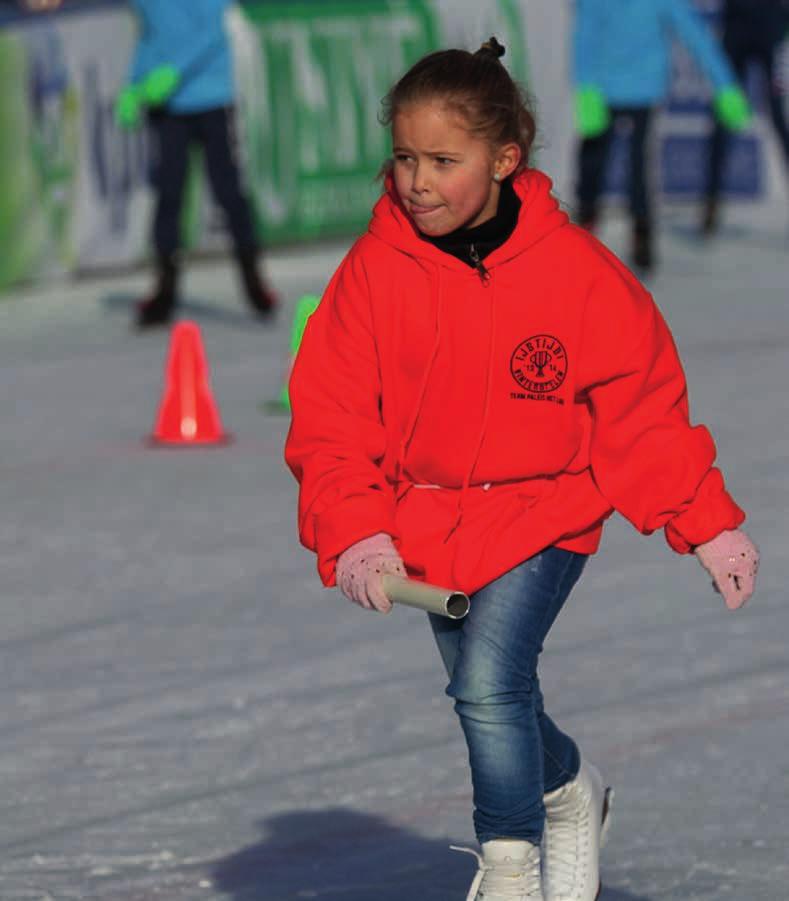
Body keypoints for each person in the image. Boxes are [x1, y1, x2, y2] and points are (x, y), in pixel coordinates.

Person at [284, 38, 759, 901]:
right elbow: (333, 418)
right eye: (403, 157)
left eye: (441, 160)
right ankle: (569, 787)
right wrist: (354, 530)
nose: (416, 180)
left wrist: (705, 519)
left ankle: (508, 866)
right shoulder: (372, 275)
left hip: (546, 510)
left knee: (489, 683)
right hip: (426, 522)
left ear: (504, 159)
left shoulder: (576, 276)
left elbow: (640, 409)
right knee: (485, 690)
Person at [115, 0, 277, 329]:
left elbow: (212, 34)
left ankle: (253, 280)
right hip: (168, 106)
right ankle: (165, 289)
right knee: (168, 194)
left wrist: (173, 71)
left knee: (228, 191)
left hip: (211, 98)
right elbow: (149, 38)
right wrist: (133, 85)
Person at [573, 0, 751, 271]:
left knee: (634, 163)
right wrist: (585, 87)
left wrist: (724, 85)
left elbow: (695, 35)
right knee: (596, 160)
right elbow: (585, 34)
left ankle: (639, 231)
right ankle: (589, 227)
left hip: (637, 89)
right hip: (606, 88)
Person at [701, 0, 789, 235]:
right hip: (738, 26)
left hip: (772, 27)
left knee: (781, 117)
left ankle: (711, 202)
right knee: (725, 114)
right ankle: (711, 201)